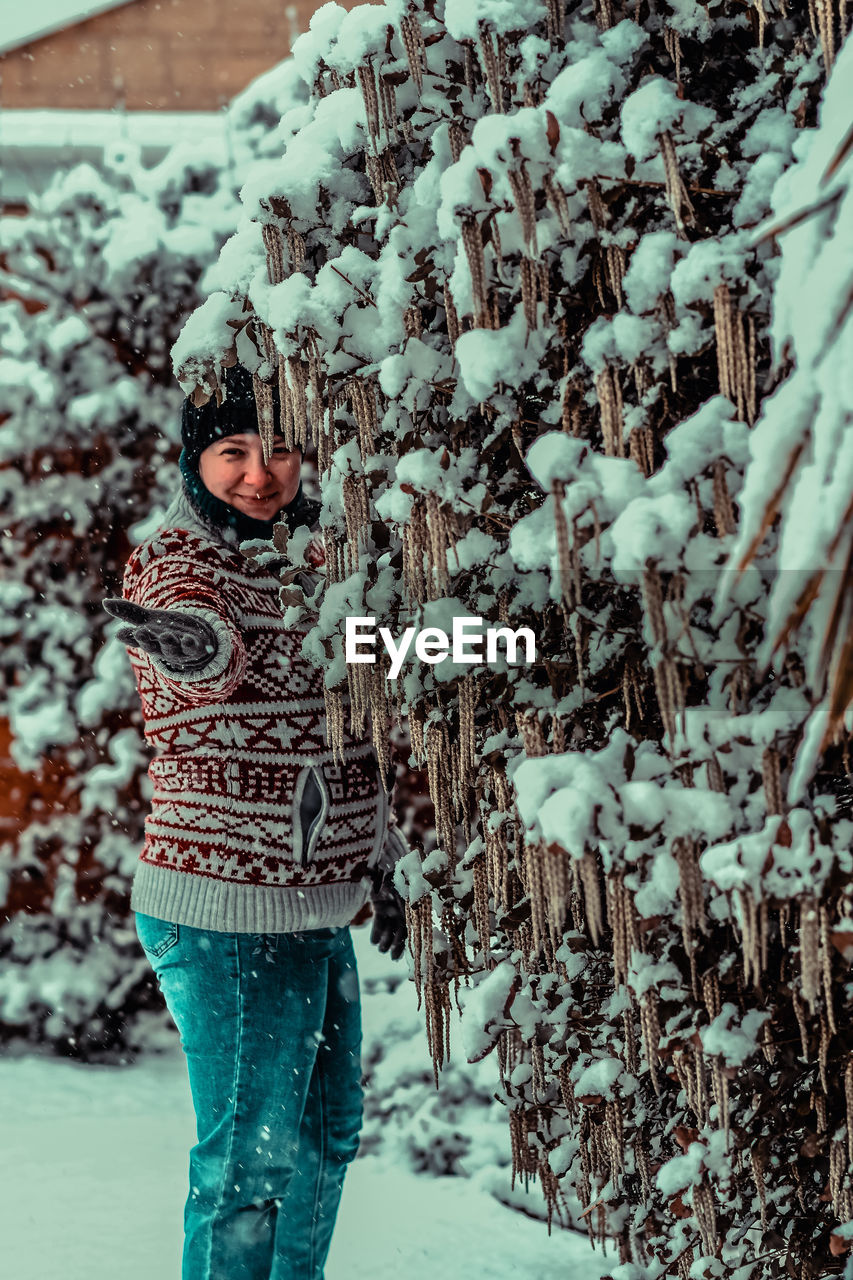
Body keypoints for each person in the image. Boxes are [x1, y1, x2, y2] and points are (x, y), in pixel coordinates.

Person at [103, 363, 408, 1280]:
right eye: (233, 451)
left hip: (314, 903)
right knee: (247, 1161)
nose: (259, 474)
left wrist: (380, 858)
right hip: (224, 911)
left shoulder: (323, 557)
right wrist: (193, 648)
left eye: (279, 448)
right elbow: (207, 646)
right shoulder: (174, 563)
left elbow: (346, 729)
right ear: (197, 459)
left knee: (323, 1141)